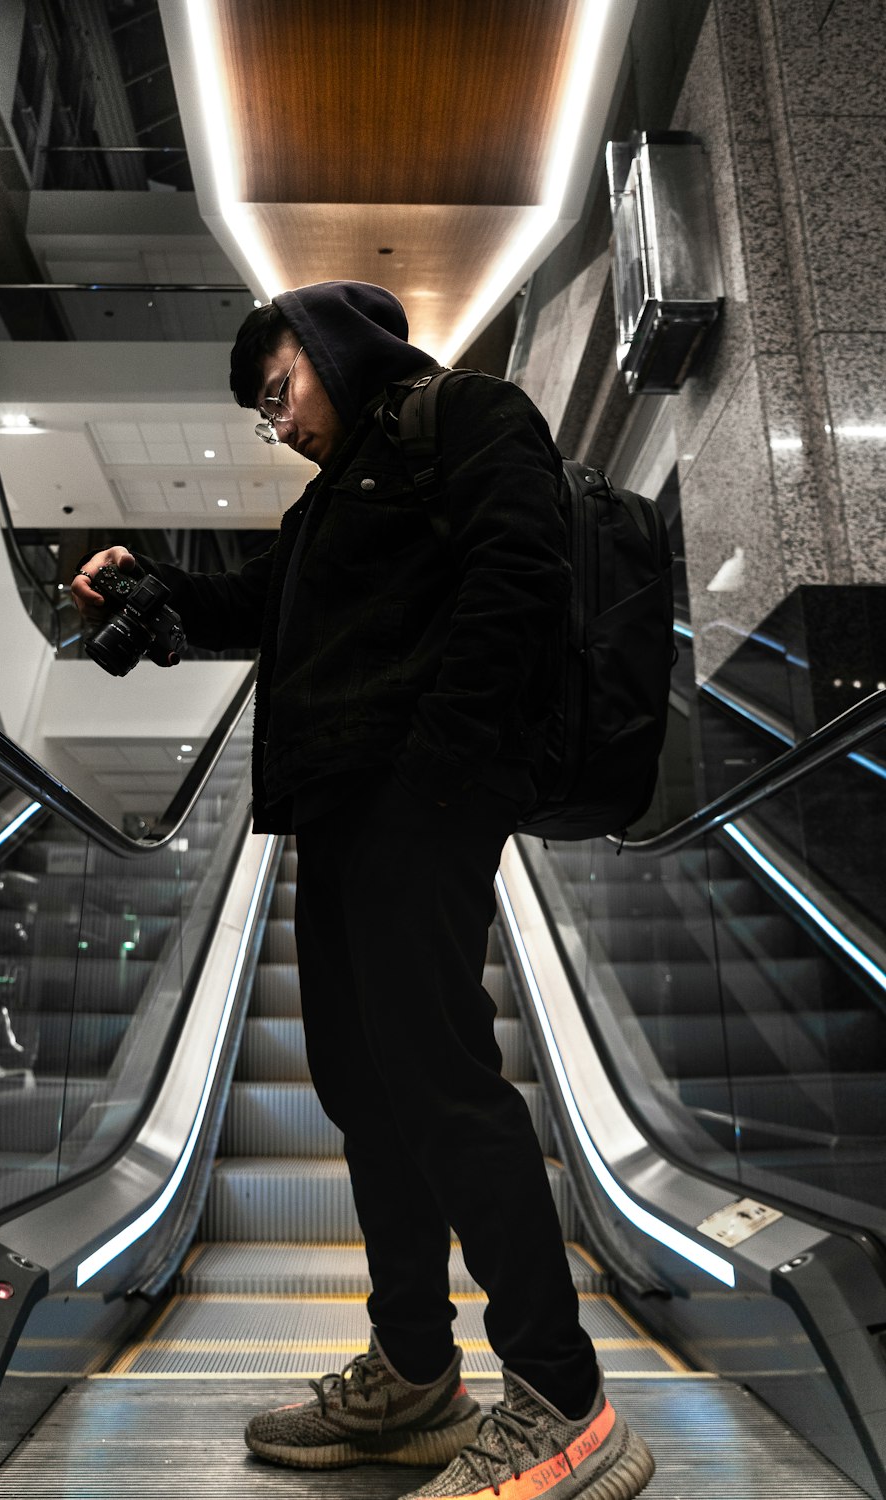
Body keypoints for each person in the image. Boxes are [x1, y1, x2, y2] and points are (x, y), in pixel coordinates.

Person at [72, 281, 654, 1500]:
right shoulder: (336, 493)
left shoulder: (471, 415)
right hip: (336, 816)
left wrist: (443, 779)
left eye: (279, 389)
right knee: (364, 1092)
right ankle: (415, 1370)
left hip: (417, 804)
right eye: (262, 414)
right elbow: (257, 610)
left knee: (442, 1086)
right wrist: (153, 588)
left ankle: (562, 1399)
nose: (277, 424)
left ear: (331, 343)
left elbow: (521, 577)